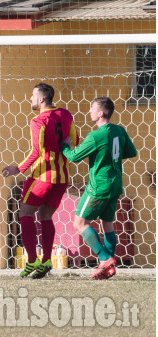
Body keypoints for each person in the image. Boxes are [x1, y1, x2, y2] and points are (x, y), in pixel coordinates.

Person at [2, 83, 78, 279]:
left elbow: (36, 151)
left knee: (25, 214)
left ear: (41, 99)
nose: (30, 99)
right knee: (45, 216)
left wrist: (17, 168)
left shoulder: (38, 121)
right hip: (61, 178)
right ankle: (46, 261)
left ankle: (33, 260)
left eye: (32, 95)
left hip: (42, 177)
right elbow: (75, 141)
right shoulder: (66, 115)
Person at [61, 97, 137, 280]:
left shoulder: (95, 136)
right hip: (115, 184)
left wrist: (65, 145)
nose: (89, 111)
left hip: (98, 186)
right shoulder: (119, 130)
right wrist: (111, 156)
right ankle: (108, 267)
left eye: (92, 108)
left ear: (101, 113)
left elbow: (73, 156)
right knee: (107, 224)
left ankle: (104, 259)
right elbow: (132, 152)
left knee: (79, 223)